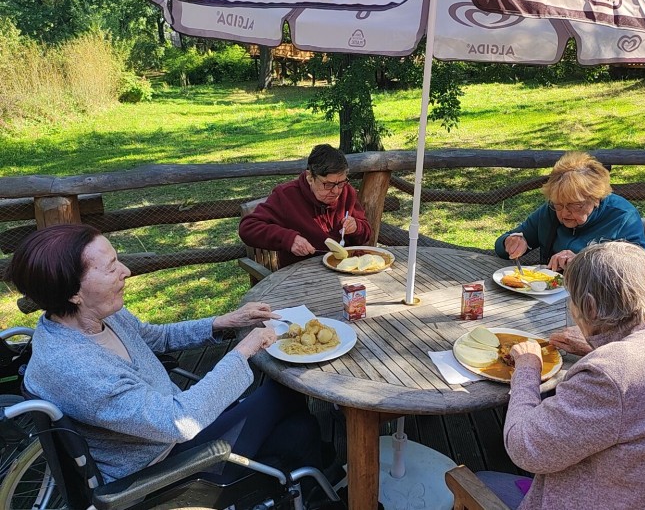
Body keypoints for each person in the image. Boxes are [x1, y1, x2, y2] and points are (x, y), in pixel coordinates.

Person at [5, 223, 324, 485]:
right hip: (160, 468)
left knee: (300, 427)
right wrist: (243, 350)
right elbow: (178, 422)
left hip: (167, 431)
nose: (126, 271)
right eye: (112, 267)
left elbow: (155, 337)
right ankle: (316, 484)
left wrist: (224, 322)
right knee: (289, 399)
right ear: (72, 291)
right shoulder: (76, 368)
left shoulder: (92, 314)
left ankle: (311, 475)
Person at [479, 241, 645, 510]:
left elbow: (523, 446)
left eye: (570, 298)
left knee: (481, 480)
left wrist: (527, 368)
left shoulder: (610, 374)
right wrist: (600, 345)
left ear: (590, 307)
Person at [495, 151, 645, 273]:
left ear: (596, 198)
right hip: (550, 296)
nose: (564, 213)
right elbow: (501, 246)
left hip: (600, 301)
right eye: (559, 205)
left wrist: (583, 262)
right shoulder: (550, 211)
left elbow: (639, 267)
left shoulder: (622, 217)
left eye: (574, 206)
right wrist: (510, 242)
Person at [239, 144, 372, 268]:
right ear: (310, 178)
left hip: (346, 269)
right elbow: (248, 227)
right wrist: (289, 239)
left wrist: (357, 227)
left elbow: (366, 233)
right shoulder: (286, 196)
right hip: (302, 274)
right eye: (328, 185)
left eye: (341, 183)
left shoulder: (347, 192)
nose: (336, 191)